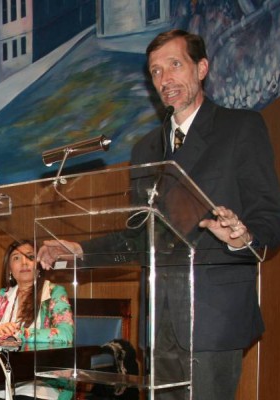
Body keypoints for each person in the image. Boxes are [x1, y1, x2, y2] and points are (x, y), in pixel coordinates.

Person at [37, 29, 280, 400]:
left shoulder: (239, 128)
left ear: (201, 68)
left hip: (213, 316)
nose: (165, 79)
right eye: (155, 72)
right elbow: (139, 236)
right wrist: (79, 250)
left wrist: (243, 239)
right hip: (159, 318)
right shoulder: (145, 148)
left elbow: (269, 217)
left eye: (174, 65)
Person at [0, 240, 73, 400]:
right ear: (9, 268)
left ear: (39, 264)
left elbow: (65, 335)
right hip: (3, 380)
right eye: (16, 258)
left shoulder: (54, 293)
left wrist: (21, 334)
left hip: (41, 382)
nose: (24, 263)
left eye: (30, 257)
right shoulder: (2, 297)